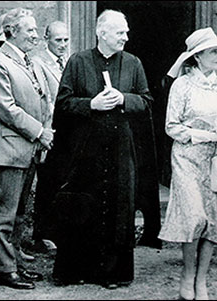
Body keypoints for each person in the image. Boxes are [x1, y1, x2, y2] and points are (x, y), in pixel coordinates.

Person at [45, 10, 153, 289]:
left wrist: (123, 99)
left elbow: (147, 102)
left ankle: (112, 273)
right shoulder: (78, 62)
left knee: (118, 209)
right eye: (120, 33)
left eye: (126, 32)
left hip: (121, 150)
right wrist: (91, 105)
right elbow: (63, 104)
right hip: (85, 151)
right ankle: (75, 269)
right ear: (101, 33)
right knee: (81, 207)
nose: (126, 38)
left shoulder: (133, 63)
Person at [158, 27, 217, 300]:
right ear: (198, 56)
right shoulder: (182, 84)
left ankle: (201, 281)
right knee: (194, 217)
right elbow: (172, 127)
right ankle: (187, 275)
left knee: (212, 222)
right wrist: (206, 135)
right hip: (187, 159)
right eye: (215, 51)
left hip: (216, 161)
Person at [0, 7, 54, 290]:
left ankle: (16, 264)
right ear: (11, 31)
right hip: (10, 148)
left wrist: (43, 133)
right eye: (30, 31)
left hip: (32, 147)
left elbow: (43, 99)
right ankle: (4, 269)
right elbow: (6, 108)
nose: (35, 36)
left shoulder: (31, 63)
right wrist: (39, 131)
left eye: (36, 31)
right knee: (5, 210)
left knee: (21, 210)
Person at [30, 20, 69, 253]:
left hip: (68, 131)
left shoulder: (70, 61)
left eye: (65, 40)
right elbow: (43, 98)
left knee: (63, 181)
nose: (63, 45)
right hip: (49, 130)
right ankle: (42, 234)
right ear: (47, 39)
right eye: (58, 40)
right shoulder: (39, 63)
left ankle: (61, 231)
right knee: (47, 182)